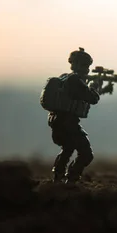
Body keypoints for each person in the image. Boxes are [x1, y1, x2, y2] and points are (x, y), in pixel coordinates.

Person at [48, 48, 101, 183]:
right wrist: (95, 88)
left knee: (68, 148)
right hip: (68, 123)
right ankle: (71, 179)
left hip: (58, 121)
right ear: (77, 64)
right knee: (86, 154)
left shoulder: (65, 77)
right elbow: (92, 99)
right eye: (84, 66)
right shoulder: (74, 81)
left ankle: (58, 176)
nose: (87, 69)